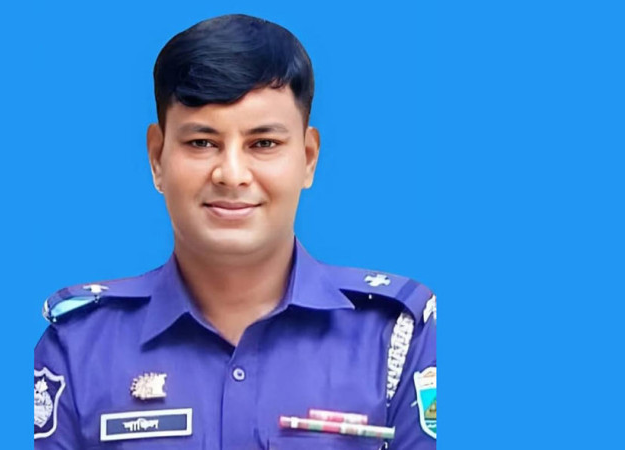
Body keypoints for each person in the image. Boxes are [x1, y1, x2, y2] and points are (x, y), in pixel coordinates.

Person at [34, 13, 436, 450]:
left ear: (308, 158)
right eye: (201, 143)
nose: (231, 174)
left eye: (263, 144)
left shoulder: (396, 338)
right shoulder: (78, 348)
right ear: (156, 157)